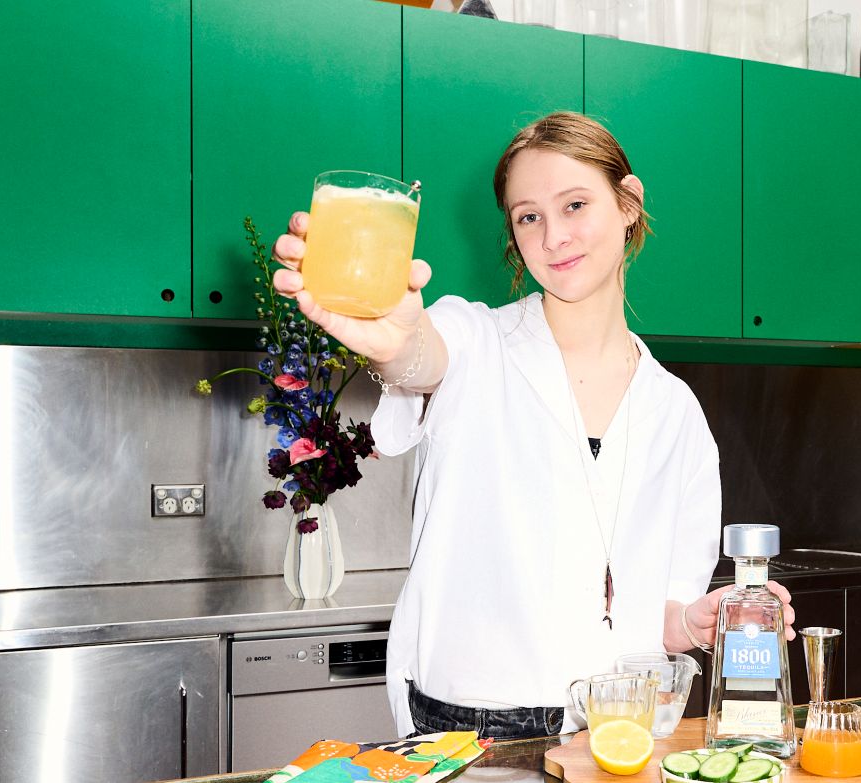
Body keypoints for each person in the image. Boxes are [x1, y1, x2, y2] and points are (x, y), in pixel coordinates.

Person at [272, 112, 796, 741]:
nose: (553, 238)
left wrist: (695, 624)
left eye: (575, 204)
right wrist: (391, 339)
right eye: (529, 217)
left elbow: (652, 615)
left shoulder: (676, 411)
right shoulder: (475, 341)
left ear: (628, 204)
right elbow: (419, 358)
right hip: (468, 732)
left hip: (617, 738)